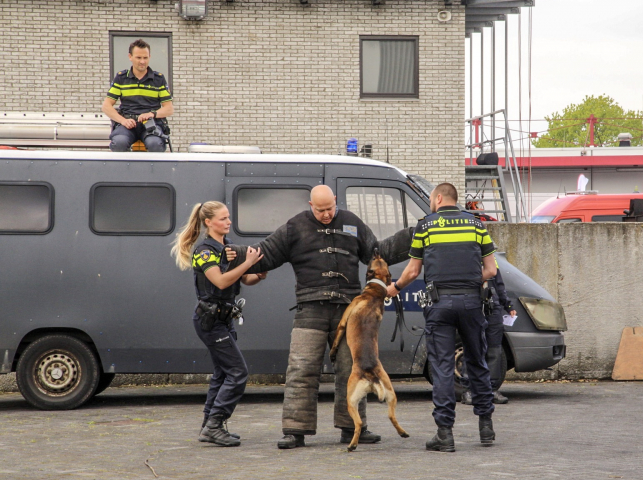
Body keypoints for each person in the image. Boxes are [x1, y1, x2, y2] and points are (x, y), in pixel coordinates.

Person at [225, 185, 414, 449]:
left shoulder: (351, 222)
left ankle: (353, 428)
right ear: (310, 205)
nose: (326, 214)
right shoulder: (295, 227)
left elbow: (378, 251)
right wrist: (235, 253)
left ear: (335, 201)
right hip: (310, 308)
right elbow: (264, 252)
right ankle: (295, 431)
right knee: (301, 370)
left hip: (347, 310)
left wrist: (414, 234)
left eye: (330, 209)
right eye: (320, 210)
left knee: (351, 369)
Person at [387, 182, 498, 452]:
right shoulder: (476, 225)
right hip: (472, 302)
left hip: (439, 304)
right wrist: (468, 282)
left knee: (443, 367)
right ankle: (486, 427)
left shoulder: (425, 226)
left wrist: (393, 288)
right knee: (477, 361)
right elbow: (491, 270)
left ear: (438, 198)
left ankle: (445, 434)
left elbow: (413, 272)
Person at [170, 201, 266, 447]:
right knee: (238, 372)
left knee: (222, 373)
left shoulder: (227, 247)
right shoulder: (205, 251)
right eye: (223, 218)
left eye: (228, 217)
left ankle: (209, 425)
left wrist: (258, 274)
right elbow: (221, 282)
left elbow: (245, 279)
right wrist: (247, 262)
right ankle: (214, 425)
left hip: (223, 319)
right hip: (210, 321)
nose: (228, 222)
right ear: (208, 222)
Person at [102, 39, 173, 152]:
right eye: (138, 58)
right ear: (130, 57)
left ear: (150, 57)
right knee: (119, 143)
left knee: (155, 144)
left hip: (151, 123)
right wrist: (122, 121)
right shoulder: (121, 78)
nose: (142, 61)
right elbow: (106, 106)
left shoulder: (159, 79)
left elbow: (169, 109)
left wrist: (151, 114)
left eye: (145, 58)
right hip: (127, 124)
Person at [461, 262, 516, 406]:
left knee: (494, 350)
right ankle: (469, 390)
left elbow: (499, 284)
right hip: (472, 305)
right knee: (472, 348)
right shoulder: (464, 255)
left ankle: (492, 390)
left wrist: (508, 305)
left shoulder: (490, 258)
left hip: (493, 308)